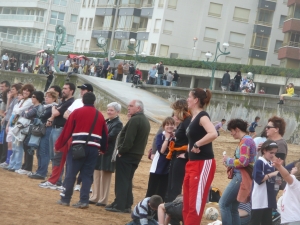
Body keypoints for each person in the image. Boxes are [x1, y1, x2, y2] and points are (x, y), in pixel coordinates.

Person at [55, 92, 108, 208]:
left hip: (77, 147)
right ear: (94, 102)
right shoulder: (100, 115)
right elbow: (105, 134)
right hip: (93, 149)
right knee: (87, 175)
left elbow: (67, 131)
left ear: (83, 101)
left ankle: (65, 199)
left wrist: (58, 145)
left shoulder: (76, 112)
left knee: (71, 174)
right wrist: (103, 149)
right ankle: (84, 200)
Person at [105, 100, 150, 213]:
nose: (128, 107)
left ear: (138, 108)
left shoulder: (135, 120)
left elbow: (129, 139)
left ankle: (120, 204)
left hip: (128, 154)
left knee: (122, 180)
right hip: (136, 154)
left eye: (131, 106)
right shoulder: (144, 120)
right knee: (127, 179)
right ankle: (126, 204)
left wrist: (121, 151)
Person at [183, 88, 218, 225]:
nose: (187, 99)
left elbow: (213, 133)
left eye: (189, 97)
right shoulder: (193, 117)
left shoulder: (202, 116)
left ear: (196, 100)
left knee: (195, 204)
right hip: (192, 163)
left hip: (202, 163)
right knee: (187, 203)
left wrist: (197, 144)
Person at [219, 119, 256, 225]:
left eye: (231, 131)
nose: (231, 134)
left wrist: (228, 160)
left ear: (237, 129)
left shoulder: (245, 141)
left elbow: (243, 161)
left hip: (241, 176)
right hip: (244, 175)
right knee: (233, 207)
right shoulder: (248, 140)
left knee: (223, 204)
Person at [39, 83, 75, 189]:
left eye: (65, 89)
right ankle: (55, 179)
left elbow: (56, 112)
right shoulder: (63, 102)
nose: (63, 90)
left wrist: (54, 109)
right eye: (63, 88)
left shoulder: (70, 102)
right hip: (55, 128)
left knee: (58, 155)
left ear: (71, 91)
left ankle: (56, 180)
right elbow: (54, 112)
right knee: (53, 156)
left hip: (61, 129)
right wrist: (52, 116)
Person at [89, 102, 123, 206]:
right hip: (100, 150)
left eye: (111, 110)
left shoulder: (118, 123)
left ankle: (103, 199)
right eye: (108, 109)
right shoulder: (106, 121)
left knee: (105, 176)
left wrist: (98, 140)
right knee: (97, 175)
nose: (109, 112)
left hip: (108, 152)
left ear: (117, 112)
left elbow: (110, 137)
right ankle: (95, 196)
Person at [165, 99, 191, 225]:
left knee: (175, 187)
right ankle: (170, 215)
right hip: (176, 155)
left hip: (181, 157)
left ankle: (174, 218)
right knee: (171, 187)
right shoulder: (184, 122)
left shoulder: (187, 121)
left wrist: (186, 154)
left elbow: (193, 139)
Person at [28, 91, 58, 180]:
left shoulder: (54, 107)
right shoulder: (46, 107)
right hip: (43, 129)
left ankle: (42, 172)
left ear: (54, 99)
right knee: (40, 151)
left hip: (48, 130)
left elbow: (48, 119)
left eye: (49, 97)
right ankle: (39, 170)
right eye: (46, 96)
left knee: (44, 151)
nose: (46, 98)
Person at [4, 84, 34, 172]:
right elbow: (15, 110)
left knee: (18, 146)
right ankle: (12, 163)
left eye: (28, 91)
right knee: (13, 145)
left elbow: (19, 111)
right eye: (24, 90)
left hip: (21, 124)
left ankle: (17, 165)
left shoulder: (29, 101)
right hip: (15, 122)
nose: (25, 92)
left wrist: (17, 110)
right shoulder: (21, 101)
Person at [146, 117, 175, 201]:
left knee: (162, 190)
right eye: (167, 124)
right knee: (152, 189)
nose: (170, 126)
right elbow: (162, 151)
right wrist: (167, 138)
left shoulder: (175, 137)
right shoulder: (160, 136)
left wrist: (173, 137)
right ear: (163, 126)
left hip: (168, 167)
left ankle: (158, 210)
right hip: (158, 167)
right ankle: (147, 207)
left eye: (172, 124)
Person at [251, 140, 279, 225]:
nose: (273, 155)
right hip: (259, 199)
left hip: (269, 198)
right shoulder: (260, 162)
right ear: (264, 151)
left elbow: (276, 181)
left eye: (274, 153)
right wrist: (272, 174)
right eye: (271, 152)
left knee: (267, 222)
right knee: (255, 221)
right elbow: (259, 179)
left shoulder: (271, 163)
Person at [16, 91, 44, 175]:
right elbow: (24, 113)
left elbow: (27, 114)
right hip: (28, 129)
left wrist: (26, 112)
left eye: (34, 97)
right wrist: (26, 112)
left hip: (33, 129)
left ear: (38, 98)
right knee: (25, 146)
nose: (32, 98)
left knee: (29, 148)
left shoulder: (38, 107)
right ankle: (25, 166)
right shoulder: (33, 106)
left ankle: (28, 168)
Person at [272, 157, 300, 225]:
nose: (292, 168)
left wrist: (279, 167)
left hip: (292, 219)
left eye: (295, 168)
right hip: (292, 218)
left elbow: (286, 175)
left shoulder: (295, 183)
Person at [0, 83, 22, 168]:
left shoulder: (17, 100)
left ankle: (8, 160)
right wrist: (9, 99)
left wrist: (10, 124)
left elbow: (14, 113)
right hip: (8, 120)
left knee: (9, 143)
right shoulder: (13, 99)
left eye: (13, 89)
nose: (11, 91)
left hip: (11, 122)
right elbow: (8, 110)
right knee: (6, 142)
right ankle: (6, 160)